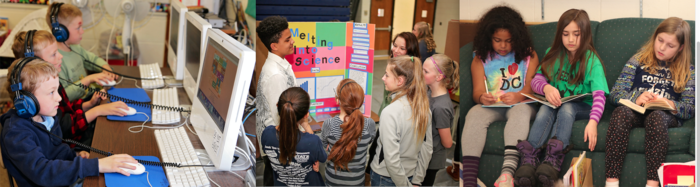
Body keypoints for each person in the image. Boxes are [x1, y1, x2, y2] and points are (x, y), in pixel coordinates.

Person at [0, 58, 138, 187]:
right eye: (51, 92)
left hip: (64, 179)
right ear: (26, 100)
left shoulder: (45, 117)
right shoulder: (16, 133)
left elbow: (57, 150)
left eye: (57, 90)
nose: (59, 98)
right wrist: (96, 166)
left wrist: (75, 155)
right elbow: (43, 172)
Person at [514, 9, 608, 187]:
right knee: (546, 107)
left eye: (576, 34)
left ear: (585, 34)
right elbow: (536, 81)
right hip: (557, 103)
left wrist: (593, 122)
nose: (570, 40)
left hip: (583, 106)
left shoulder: (591, 60)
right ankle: (529, 159)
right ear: (560, 35)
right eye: (566, 34)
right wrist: (547, 87)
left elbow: (599, 95)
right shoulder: (554, 53)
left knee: (567, 107)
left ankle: (552, 160)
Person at [604, 17, 695, 187]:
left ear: (681, 48)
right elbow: (615, 94)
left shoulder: (688, 70)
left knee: (657, 118)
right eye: (660, 40)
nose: (662, 48)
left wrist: (670, 104)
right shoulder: (638, 60)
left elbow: (691, 108)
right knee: (620, 113)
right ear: (655, 37)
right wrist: (635, 97)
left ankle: (652, 183)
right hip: (636, 111)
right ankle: (611, 182)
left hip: (663, 116)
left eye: (670, 46)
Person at [461, 6, 540, 187]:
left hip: (523, 105)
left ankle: (506, 176)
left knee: (520, 112)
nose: (503, 46)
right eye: (497, 40)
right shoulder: (480, 58)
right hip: (494, 106)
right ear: (489, 37)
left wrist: (519, 96)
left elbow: (532, 86)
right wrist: (482, 98)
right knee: (474, 112)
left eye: (508, 41)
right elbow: (477, 92)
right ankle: (469, 180)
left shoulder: (529, 55)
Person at [11, 30, 129, 148]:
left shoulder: (54, 84)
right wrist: (98, 111)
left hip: (74, 139)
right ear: (34, 63)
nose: (60, 56)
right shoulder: (42, 97)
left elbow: (67, 108)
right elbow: (65, 127)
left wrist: (90, 104)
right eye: (53, 54)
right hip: (69, 145)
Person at [255, 16, 314, 186]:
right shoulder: (275, 76)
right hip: (279, 144)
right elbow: (281, 116)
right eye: (288, 39)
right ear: (274, 46)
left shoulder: (281, 65)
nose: (292, 41)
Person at [370, 55, 432, 186]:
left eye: (386, 75)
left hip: (385, 177)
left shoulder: (390, 112)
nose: (383, 78)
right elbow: (427, 149)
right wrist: (416, 181)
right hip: (410, 176)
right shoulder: (424, 109)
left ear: (400, 81)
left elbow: (391, 159)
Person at [46, 2, 117, 101]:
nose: (82, 31)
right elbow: (65, 96)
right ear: (60, 32)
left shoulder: (76, 48)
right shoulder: (55, 60)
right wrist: (89, 79)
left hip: (91, 95)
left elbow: (94, 59)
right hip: (78, 107)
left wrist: (106, 68)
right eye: (78, 28)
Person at [261, 87, 326, 186]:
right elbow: (322, 157)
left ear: (278, 106)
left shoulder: (267, 134)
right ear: (305, 115)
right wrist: (306, 125)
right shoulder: (313, 141)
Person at [320, 79, 376, 186]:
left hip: (333, 182)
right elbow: (370, 141)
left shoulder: (328, 124)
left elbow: (323, 145)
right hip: (357, 182)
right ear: (361, 101)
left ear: (337, 100)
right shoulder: (369, 124)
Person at [422, 54, 458, 186]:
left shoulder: (441, 107)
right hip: (423, 154)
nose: (421, 73)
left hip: (431, 159)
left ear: (439, 77)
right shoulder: (429, 91)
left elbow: (448, 143)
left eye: (425, 71)